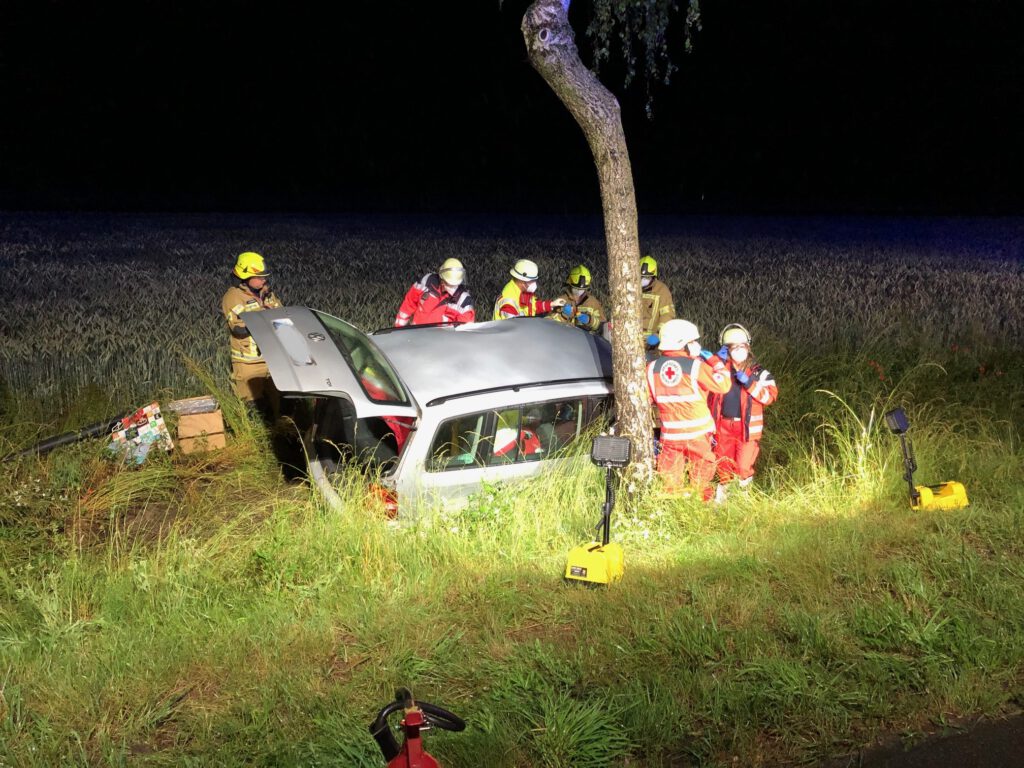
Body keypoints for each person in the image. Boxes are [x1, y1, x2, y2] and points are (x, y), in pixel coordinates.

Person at [646, 319, 731, 501]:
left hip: (670, 437)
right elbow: (723, 384)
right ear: (683, 343)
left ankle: (674, 517)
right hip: (698, 435)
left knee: (670, 484)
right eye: (692, 341)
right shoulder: (696, 367)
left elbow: (647, 399)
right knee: (701, 483)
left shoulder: (651, 369)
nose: (696, 345)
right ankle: (699, 517)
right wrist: (715, 362)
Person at [707, 324, 778, 502]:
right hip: (723, 426)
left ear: (748, 347)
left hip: (746, 430)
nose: (739, 350)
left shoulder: (759, 373)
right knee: (723, 466)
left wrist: (749, 384)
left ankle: (743, 502)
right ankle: (723, 504)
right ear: (726, 349)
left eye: (742, 346)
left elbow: (770, 397)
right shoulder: (719, 371)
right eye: (733, 347)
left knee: (743, 466)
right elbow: (705, 384)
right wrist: (716, 361)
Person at [221, 251, 282, 407]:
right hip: (248, 365)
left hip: (272, 360)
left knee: (277, 405)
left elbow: (281, 315)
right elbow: (238, 329)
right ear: (245, 276)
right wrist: (265, 316)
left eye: (265, 276)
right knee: (253, 408)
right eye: (260, 277)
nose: (264, 280)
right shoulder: (233, 297)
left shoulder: (267, 293)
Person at [394, 258, 475, 327]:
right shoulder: (426, 282)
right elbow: (409, 303)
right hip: (416, 335)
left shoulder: (464, 302)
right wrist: (399, 327)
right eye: (450, 284)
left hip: (440, 343)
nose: (453, 288)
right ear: (442, 279)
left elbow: (464, 331)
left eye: (455, 284)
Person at [493, 259, 567, 320]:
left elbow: (533, 305)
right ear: (522, 281)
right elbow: (514, 328)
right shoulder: (509, 302)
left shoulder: (523, 290)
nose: (534, 283)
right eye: (532, 281)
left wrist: (551, 304)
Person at [551, 265, 604, 333]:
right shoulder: (561, 301)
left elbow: (602, 326)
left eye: (582, 289)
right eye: (576, 288)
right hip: (564, 340)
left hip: (586, 342)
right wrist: (563, 316)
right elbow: (549, 323)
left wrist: (590, 320)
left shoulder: (592, 302)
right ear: (570, 284)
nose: (579, 291)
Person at [639, 255, 676, 352]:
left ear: (653, 276)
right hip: (632, 340)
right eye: (640, 277)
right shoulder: (631, 288)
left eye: (646, 277)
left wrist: (658, 335)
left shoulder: (661, 291)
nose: (643, 280)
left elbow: (667, 315)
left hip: (652, 344)